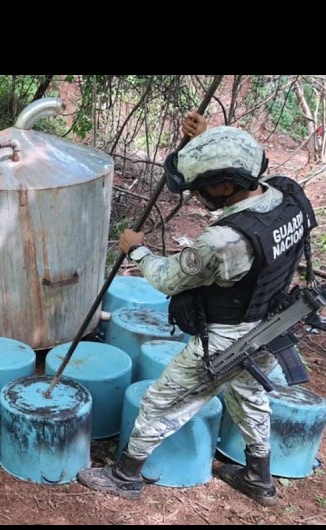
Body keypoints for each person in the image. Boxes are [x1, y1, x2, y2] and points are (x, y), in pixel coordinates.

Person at [78, 111, 317, 506]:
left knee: (163, 401)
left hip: (228, 338)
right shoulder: (287, 196)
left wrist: (136, 250)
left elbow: (169, 280)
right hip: (272, 323)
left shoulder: (225, 241)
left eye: (201, 188)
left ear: (226, 185)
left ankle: (125, 475)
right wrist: (203, 142)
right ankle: (258, 477)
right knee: (249, 396)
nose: (195, 196)